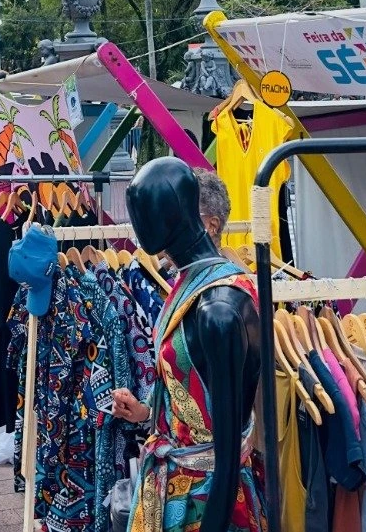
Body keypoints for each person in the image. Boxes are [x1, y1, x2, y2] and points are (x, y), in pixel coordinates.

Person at [118, 159, 263, 532]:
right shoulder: (191, 285)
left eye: (145, 210)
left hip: (205, 501)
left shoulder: (218, 309)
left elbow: (227, 452)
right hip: (176, 487)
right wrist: (145, 411)